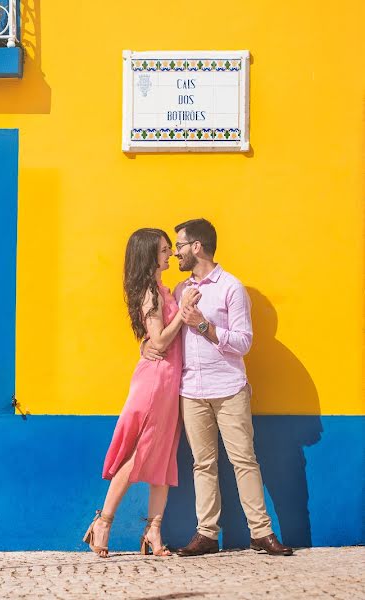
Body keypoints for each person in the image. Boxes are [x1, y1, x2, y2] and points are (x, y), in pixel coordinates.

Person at [142, 218, 293, 556]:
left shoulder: (231, 288)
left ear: (197, 247)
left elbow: (243, 343)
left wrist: (204, 325)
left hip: (229, 389)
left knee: (244, 460)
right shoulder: (180, 291)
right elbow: (162, 335)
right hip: (191, 390)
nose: (176, 253)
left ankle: (261, 533)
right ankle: (207, 534)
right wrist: (145, 346)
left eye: (179, 245)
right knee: (202, 464)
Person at [84, 228, 200, 558]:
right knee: (140, 455)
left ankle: (153, 532)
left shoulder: (163, 290)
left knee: (163, 457)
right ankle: (103, 523)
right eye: (165, 250)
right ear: (150, 255)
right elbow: (160, 341)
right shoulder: (150, 293)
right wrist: (182, 311)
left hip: (170, 382)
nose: (171, 255)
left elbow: (156, 340)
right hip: (155, 383)